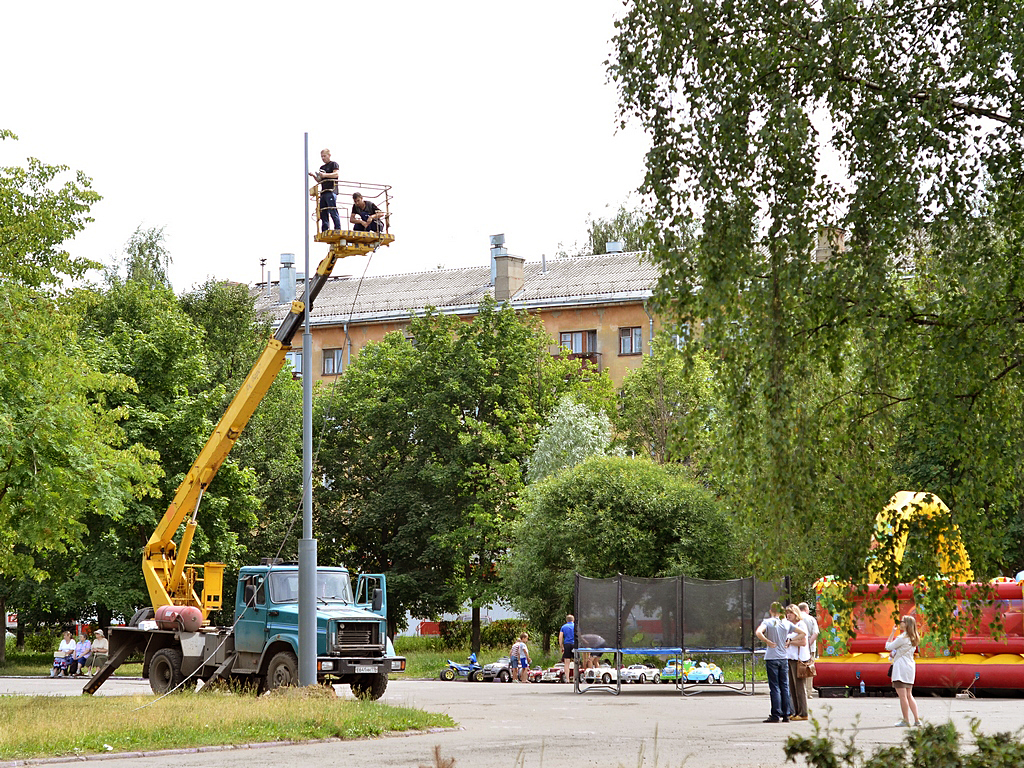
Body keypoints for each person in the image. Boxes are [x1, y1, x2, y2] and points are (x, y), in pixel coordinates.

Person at [755, 602, 801, 723]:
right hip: (783, 657)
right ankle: (786, 714)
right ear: (782, 612)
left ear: (771, 611)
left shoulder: (768, 622)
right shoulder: (786, 623)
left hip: (771, 657)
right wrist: (790, 640)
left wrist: (767, 641)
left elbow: (758, 632)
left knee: (774, 687)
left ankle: (775, 714)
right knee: (784, 686)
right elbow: (803, 633)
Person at [886, 615, 921, 727]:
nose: (900, 623)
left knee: (902, 696)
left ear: (906, 624)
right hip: (910, 667)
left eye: (902, 621)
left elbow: (888, 646)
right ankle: (917, 719)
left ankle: (906, 720)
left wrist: (892, 633)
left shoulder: (902, 638)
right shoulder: (914, 637)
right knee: (909, 695)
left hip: (900, 667)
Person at [783, 604, 810, 721]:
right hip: (789, 657)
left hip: (798, 659)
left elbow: (803, 642)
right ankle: (795, 711)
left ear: (796, 614)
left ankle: (803, 712)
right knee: (792, 687)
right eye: (787, 613)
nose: (788, 615)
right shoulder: (788, 625)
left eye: (790, 613)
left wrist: (791, 641)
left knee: (799, 687)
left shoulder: (801, 624)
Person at [308, 149, 341, 232]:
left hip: (331, 190)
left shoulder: (334, 164)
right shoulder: (322, 167)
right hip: (323, 192)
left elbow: (336, 174)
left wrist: (324, 175)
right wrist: (314, 176)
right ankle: (325, 229)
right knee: (323, 211)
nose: (323, 158)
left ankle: (337, 228)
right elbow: (320, 180)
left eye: (324, 156)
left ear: (329, 155)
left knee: (332, 209)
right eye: (322, 156)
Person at [798, 602, 819, 702]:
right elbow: (816, 633)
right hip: (810, 649)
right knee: (809, 670)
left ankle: (799, 692)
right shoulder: (811, 619)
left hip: (797, 648)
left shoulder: (796, 619)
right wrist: (809, 643)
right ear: (806, 610)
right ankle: (808, 692)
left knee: (798, 669)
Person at [558, 614, 575, 684]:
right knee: (576, 662)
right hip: (575, 644)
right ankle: (575, 678)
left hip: (567, 644)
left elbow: (560, 637)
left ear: (566, 620)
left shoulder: (563, 627)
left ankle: (567, 679)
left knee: (566, 663)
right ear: (573, 620)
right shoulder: (576, 626)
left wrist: (561, 646)